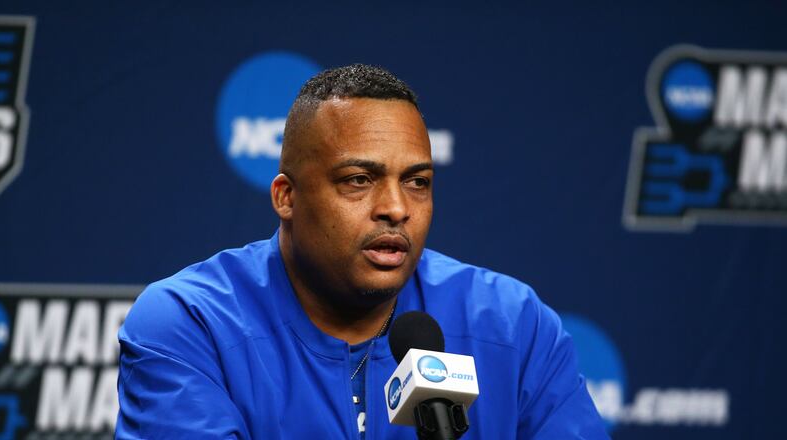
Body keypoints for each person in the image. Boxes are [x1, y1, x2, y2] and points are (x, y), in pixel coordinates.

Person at [116, 64, 608, 439]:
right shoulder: (189, 324)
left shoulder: (513, 325)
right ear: (287, 197)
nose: (396, 208)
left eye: (417, 182)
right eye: (358, 180)